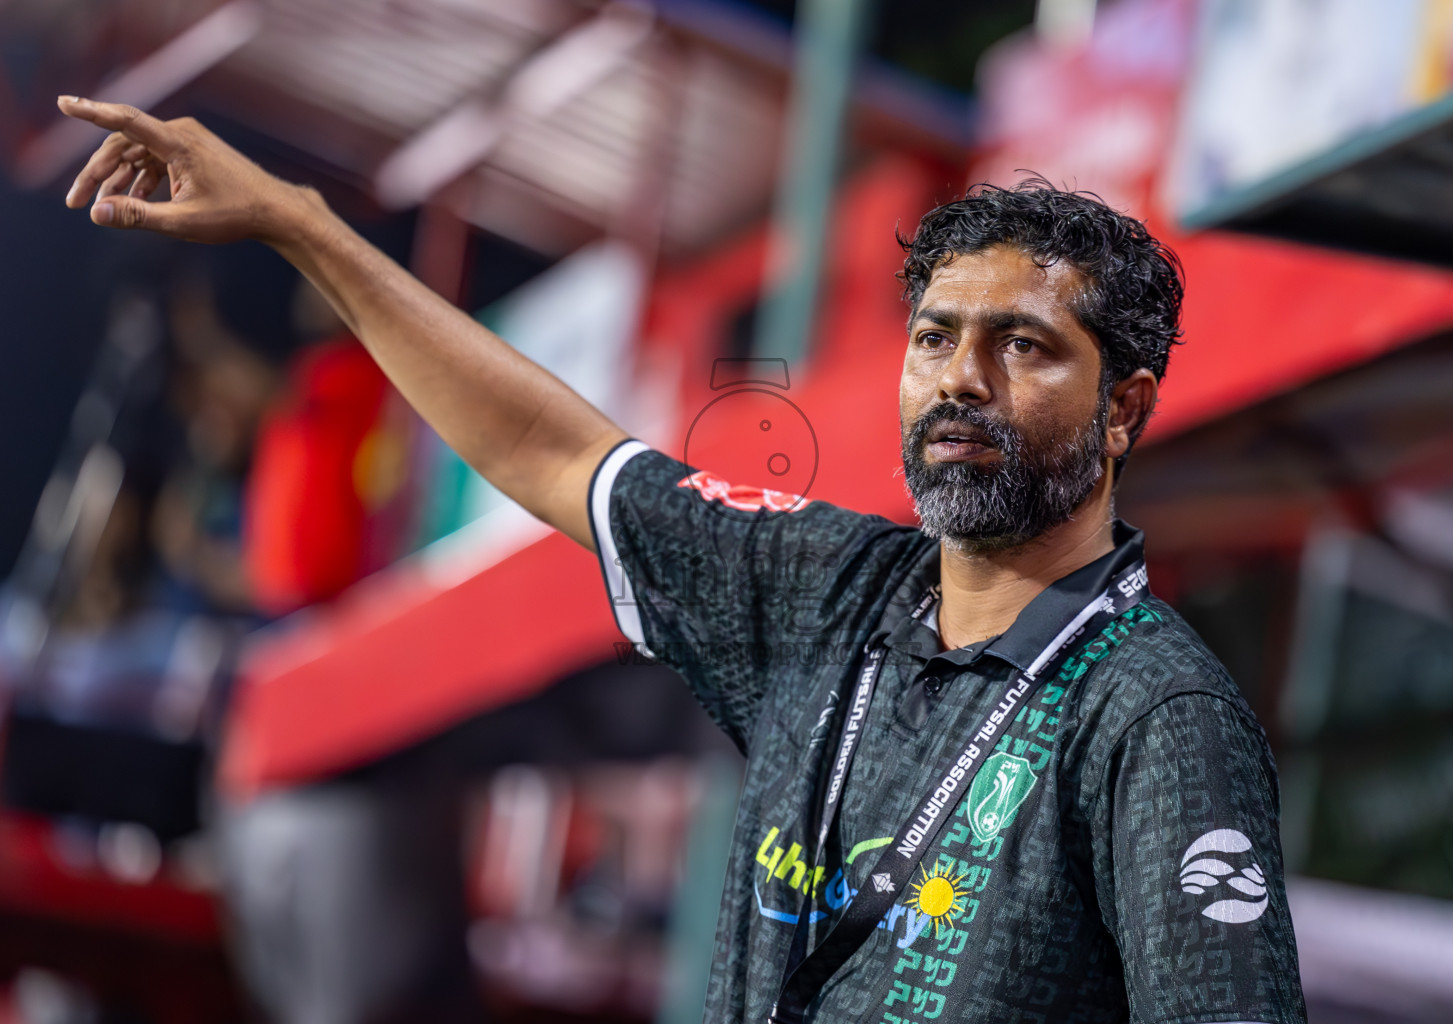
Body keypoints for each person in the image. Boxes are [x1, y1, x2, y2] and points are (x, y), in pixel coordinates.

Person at [56, 96, 1306, 1024]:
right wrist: (300, 225)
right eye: (936, 337)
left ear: (1127, 408)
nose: (962, 380)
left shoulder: (1158, 716)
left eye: (1025, 346)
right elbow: (555, 450)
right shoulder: (822, 592)